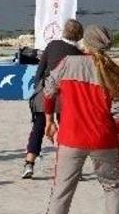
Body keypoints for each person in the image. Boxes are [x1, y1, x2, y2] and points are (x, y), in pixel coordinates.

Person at [41, 25, 119, 214]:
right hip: (104, 138)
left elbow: (48, 90)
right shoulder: (114, 72)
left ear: (85, 43)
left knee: (62, 189)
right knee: (113, 187)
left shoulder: (69, 63)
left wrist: (49, 119)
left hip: (71, 137)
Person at [22, 19, 84, 179]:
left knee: (38, 127)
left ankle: (29, 164)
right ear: (79, 36)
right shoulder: (79, 54)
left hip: (47, 91)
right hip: (67, 95)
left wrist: (38, 89)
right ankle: (68, 167)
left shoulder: (53, 45)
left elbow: (40, 70)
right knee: (67, 131)